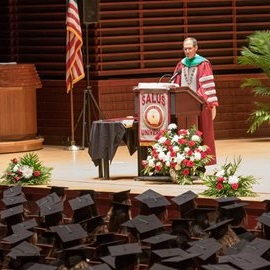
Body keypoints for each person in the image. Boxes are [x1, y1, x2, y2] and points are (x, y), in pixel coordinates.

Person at [172, 37, 219, 165]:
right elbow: (175, 83)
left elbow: (205, 85)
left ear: (196, 48)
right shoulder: (181, 64)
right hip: (183, 107)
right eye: (185, 49)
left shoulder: (203, 63)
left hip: (199, 105)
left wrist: (196, 98)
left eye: (189, 48)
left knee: (203, 130)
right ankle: (184, 159)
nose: (187, 51)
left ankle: (201, 160)